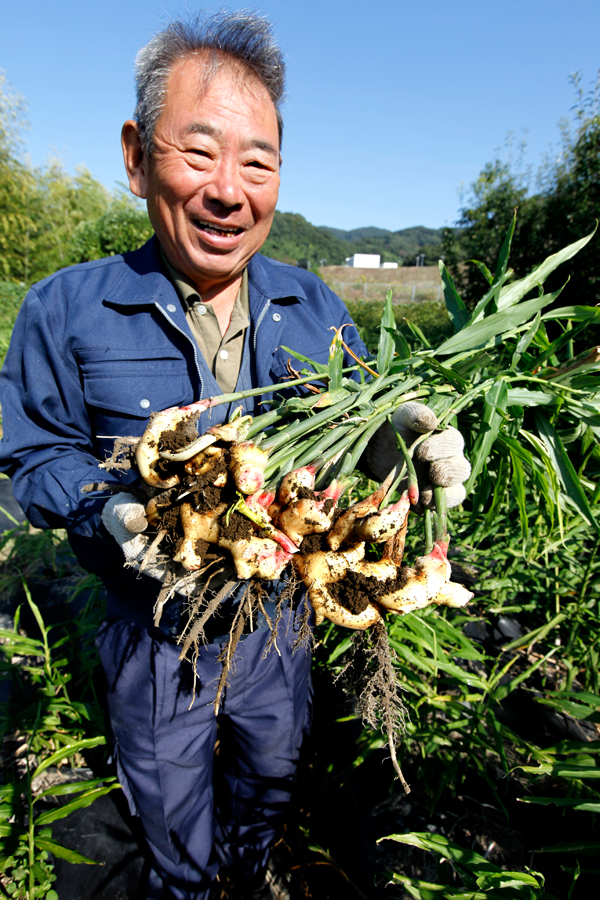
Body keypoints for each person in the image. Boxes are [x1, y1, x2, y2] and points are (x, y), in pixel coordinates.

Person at [0, 11, 469, 900]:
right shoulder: (65, 308)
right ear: (138, 156)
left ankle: (250, 871)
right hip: (152, 628)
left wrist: (395, 438)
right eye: (199, 152)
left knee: (268, 783)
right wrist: (105, 510)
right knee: (172, 816)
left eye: (257, 161)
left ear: (280, 176)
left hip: (281, 630)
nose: (228, 190)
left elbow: (351, 431)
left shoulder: (313, 302)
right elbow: (31, 451)